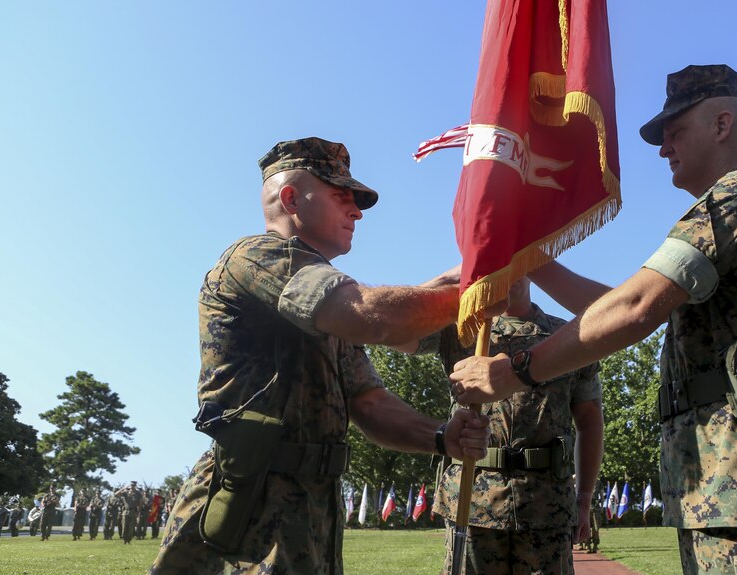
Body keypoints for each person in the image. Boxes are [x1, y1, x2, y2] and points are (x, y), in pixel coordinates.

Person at [450, 64, 737, 574]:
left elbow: (637, 306)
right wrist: (529, 255)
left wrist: (515, 371)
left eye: (676, 131)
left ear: (722, 125)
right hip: (736, 476)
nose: (664, 149)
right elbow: (620, 302)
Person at [149, 137, 490, 575]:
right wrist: (470, 295)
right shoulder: (257, 257)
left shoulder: (329, 305)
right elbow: (375, 317)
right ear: (290, 198)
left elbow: (370, 404)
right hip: (250, 509)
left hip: (311, 508)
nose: (357, 211)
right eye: (340, 195)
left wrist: (443, 437)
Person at [397, 278, 604, 574]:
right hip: (471, 501)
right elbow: (395, 332)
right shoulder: (460, 330)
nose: (506, 270)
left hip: (547, 506)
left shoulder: (568, 335)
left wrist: (584, 498)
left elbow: (590, 422)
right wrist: (448, 284)